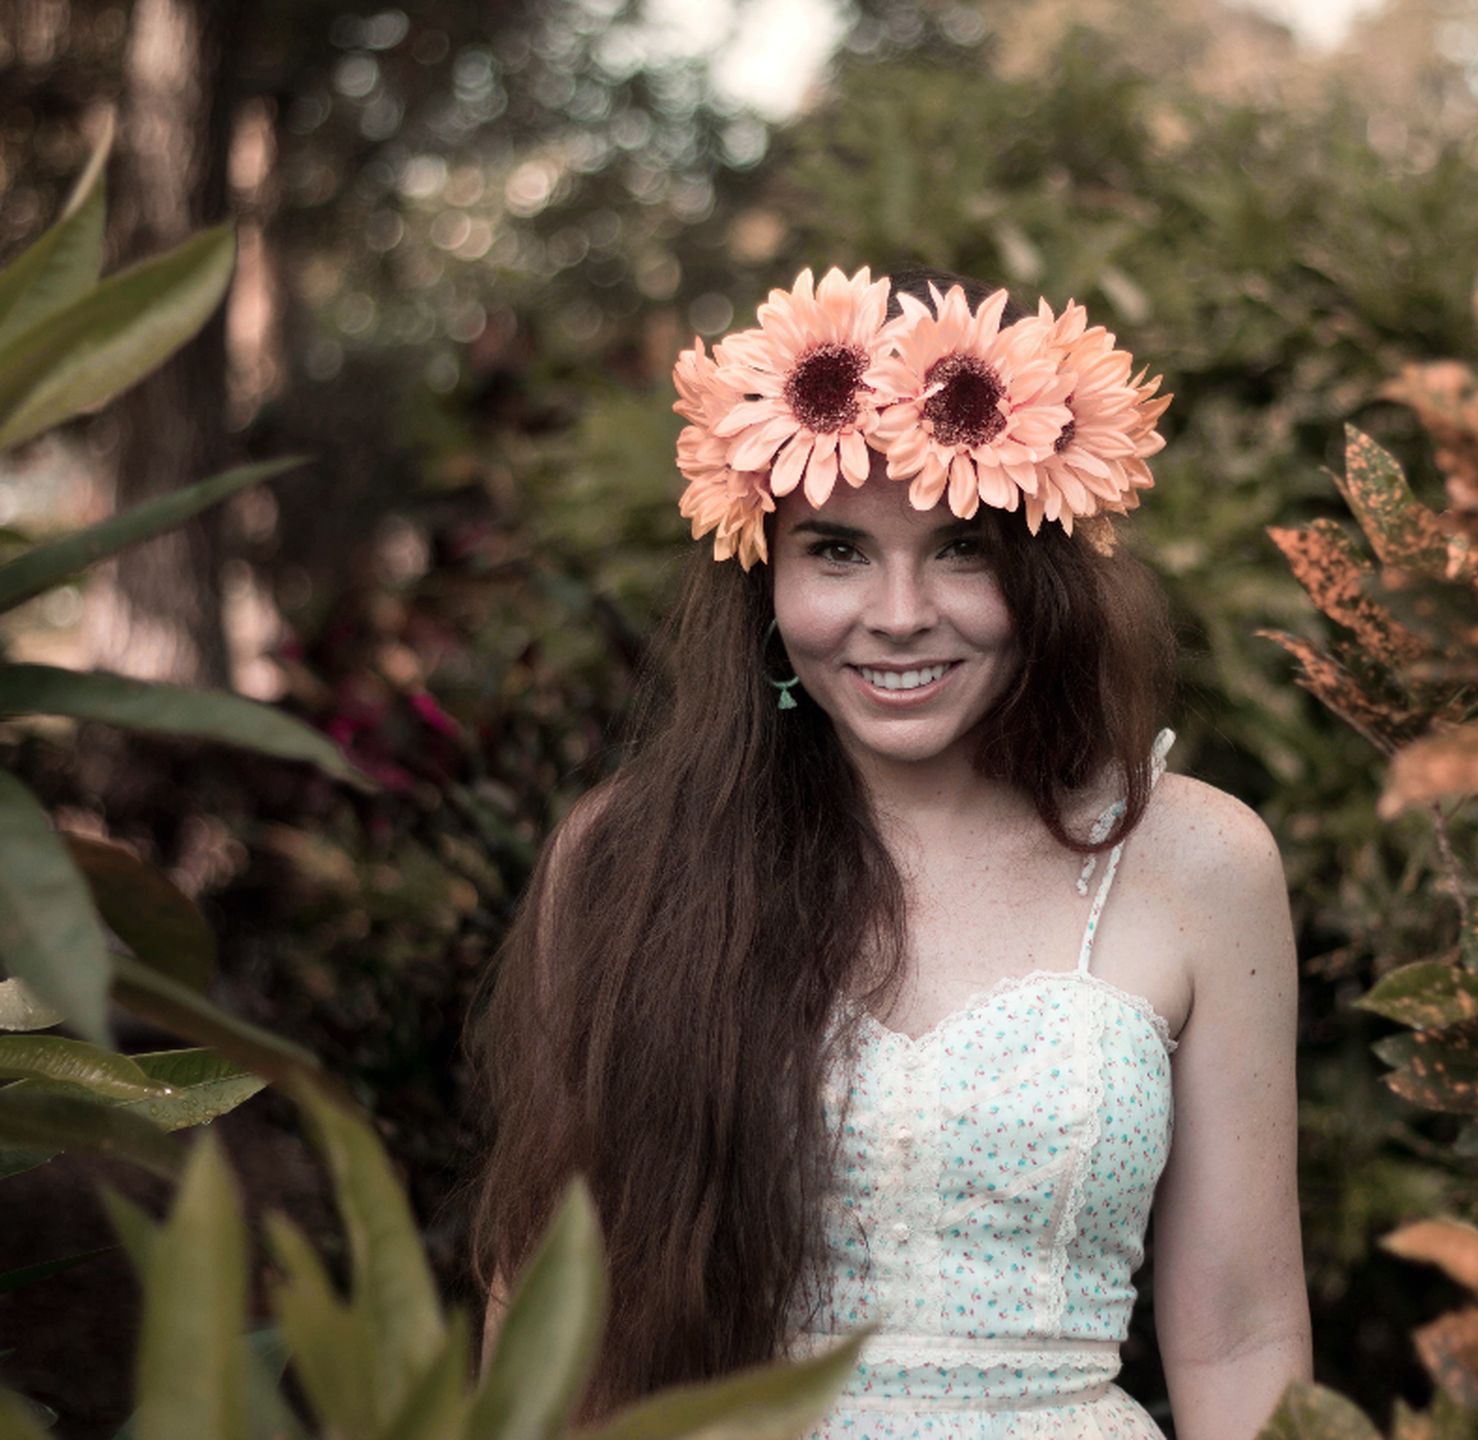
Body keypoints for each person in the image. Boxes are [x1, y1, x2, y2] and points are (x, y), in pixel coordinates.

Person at [465, 265, 1309, 1436]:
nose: (902, 611)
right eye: (839, 550)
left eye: (964, 548)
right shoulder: (627, 860)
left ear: (1046, 571)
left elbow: (1242, 1336)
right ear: (765, 578)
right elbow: (546, 1310)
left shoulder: (1198, 860)